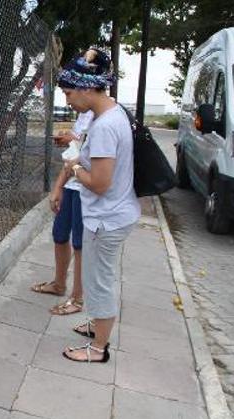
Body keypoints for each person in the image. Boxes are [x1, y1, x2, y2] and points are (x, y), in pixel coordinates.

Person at [56, 48, 140, 363]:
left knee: (98, 281)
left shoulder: (104, 126)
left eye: (68, 92)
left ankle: (98, 348)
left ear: (87, 88)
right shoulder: (115, 113)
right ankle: (97, 326)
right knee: (99, 276)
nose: (66, 100)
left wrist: (74, 168)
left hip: (105, 218)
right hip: (117, 213)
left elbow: (101, 183)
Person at [30, 109, 93, 316]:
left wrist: (72, 139)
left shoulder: (103, 115)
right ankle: (59, 284)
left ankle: (77, 297)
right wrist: (58, 187)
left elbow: (88, 155)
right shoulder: (85, 114)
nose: (68, 101)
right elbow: (75, 153)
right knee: (59, 233)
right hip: (72, 184)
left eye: (69, 92)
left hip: (87, 188)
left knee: (79, 242)